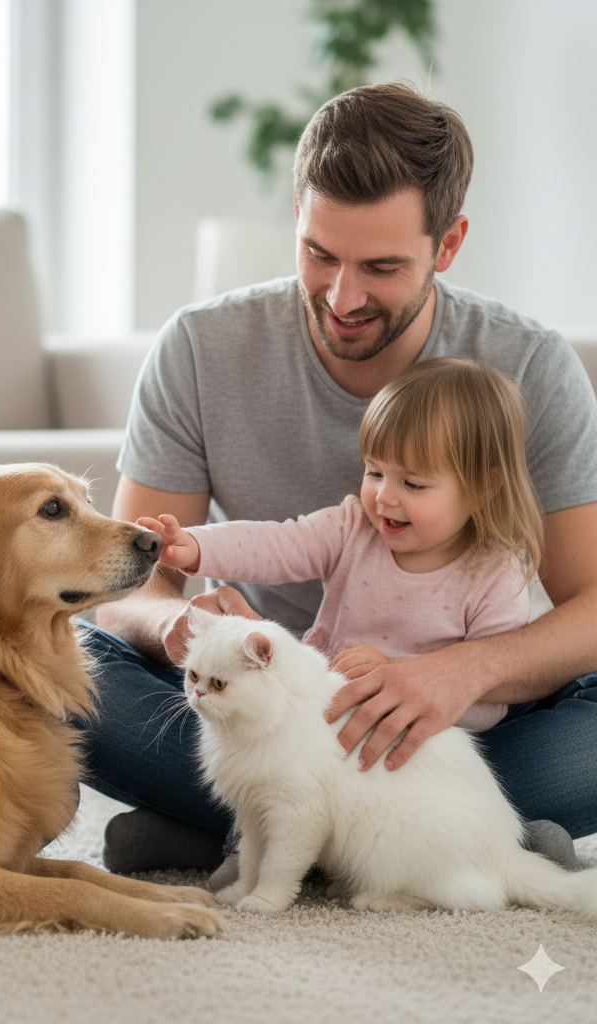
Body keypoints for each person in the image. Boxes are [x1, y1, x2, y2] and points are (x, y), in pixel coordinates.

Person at [78, 81, 597, 876]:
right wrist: (177, 623)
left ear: (448, 244)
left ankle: (241, 829)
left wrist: (462, 672)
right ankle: (471, 841)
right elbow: (127, 587)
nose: (342, 296)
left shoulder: (530, 364)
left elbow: (590, 604)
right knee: (59, 656)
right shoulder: (200, 348)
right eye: (320, 254)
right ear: (298, 216)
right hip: (262, 710)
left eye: (382, 267)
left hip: (455, 736)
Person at [143, 357, 543, 737]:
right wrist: (197, 545)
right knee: (109, 665)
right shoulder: (354, 526)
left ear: (482, 488)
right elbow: (277, 544)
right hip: (311, 724)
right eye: (375, 472)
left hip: (414, 756)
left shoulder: (496, 576)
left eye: (413, 483)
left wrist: (394, 674)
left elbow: (490, 706)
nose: (384, 496)